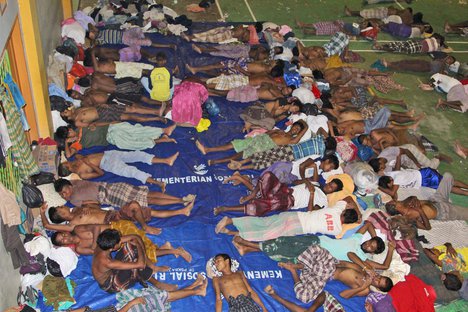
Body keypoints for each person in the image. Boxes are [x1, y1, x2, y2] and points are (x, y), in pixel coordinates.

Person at [92, 229, 208, 296]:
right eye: (118, 242)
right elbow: (140, 265)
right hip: (112, 284)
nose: (120, 242)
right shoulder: (107, 261)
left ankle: (153, 267)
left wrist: (137, 245)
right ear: (112, 247)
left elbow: (135, 236)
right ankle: (157, 283)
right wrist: (138, 247)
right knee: (135, 263)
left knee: (131, 245)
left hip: (113, 269)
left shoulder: (102, 244)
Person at [232, 221, 394, 265]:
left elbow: (384, 267)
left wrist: (391, 250)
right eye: (370, 243)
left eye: (370, 248)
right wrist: (377, 238)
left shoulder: (362, 258)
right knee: (283, 242)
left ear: (371, 253)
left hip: (317, 254)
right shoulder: (358, 239)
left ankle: (246, 244)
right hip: (317, 240)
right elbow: (368, 225)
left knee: (283, 251)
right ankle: (247, 248)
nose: (367, 246)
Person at [50, 221, 192, 270]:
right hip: (112, 242)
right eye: (62, 241)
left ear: (64, 232)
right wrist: (99, 244)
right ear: (64, 245)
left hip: (116, 229)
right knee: (141, 252)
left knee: (140, 245)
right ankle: (170, 249)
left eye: (63, 235)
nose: (65, 238)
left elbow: (95, 228)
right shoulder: (79, 248)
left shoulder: (78, 229)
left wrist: (95, 243)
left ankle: (175, 250)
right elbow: (96, 252)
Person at [278, 245, 393, 304]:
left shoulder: (365, 290)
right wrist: (365, 267)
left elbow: (343, 295)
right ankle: (297, 266)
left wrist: (363, 286)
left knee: (304, 297)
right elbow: (350, 255)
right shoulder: (363, 270)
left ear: (377, 288)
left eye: (378, 282)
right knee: (316, 250)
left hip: (325, 277)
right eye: (380, 277)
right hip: (329, 265)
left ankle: (293, 270)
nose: (376, 278)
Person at [215, 197, 360, 241]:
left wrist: (356, 210)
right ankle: (232, 233)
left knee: (263, 222)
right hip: (297, 228)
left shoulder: (337, 209)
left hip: (295, 215)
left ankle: (231, 221)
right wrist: (358, 220)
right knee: (265, 234)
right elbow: (342, 235)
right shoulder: (338, 229)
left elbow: (348, 198)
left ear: (344, 212)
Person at [214, 171, 343, 216]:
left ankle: (225, 208)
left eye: (332, 188)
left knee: (264, 205)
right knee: (268, 176)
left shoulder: (323, 201)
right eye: (330, 184)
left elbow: (311, 212)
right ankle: (254, 194)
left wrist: (312, 194)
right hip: (286, 189)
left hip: (290, 201)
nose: (328, 187)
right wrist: (307, 182)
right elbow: (296, 181)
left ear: (333, 192)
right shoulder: (315, 183)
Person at [41, 201, 194, 236]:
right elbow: (48, 226)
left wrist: (88, 207)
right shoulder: (72, 224)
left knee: (144, 210)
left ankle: (182, 211)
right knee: (134, 205)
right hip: (110, 223)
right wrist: (42, 212)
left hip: (112, 214)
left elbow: (98, 204)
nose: (63, 206)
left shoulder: (78, 208)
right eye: (60, 208)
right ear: (60, 215)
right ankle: (145, 227)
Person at [196, 120, 309, 165]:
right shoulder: (280, 130)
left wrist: (305, 127)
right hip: (258, 139)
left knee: (238, 155)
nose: (296, 130)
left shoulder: (290, 140)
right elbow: (267, 132)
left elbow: (297, 139)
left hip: (264, 146)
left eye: (298, 130)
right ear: (293, 126)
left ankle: (215, 161)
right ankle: (207, 149)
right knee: (234, 144)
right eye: (296, 127)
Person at [54, 178, 195, 211]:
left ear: (68, 185)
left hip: (112, 187)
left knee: (148, 194)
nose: (64, 196)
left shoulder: (76, 182)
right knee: (149, 200)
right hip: (110, 197)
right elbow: (93, 205)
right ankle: (180, 202)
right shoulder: (73, 200)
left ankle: (181, 200)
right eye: (61, 196)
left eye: (64, 192)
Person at [55, 122, 177, 158]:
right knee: (132, 143)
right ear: (68, 138)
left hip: (111, 127)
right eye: (68, 134)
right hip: (110, 138)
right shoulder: (77, 144)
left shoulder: (79, 126)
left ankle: (163, 130)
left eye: (68, 129)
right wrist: (66, 144)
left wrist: (94, 124)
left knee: (136, 130)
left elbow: (95, 121)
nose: (71, 132)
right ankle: (160, 140)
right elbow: (69, 154)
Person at [58, 150, 179, 185]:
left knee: (137, 154)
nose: (67, 162)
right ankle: (157, 183)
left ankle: (166, 161)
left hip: (108, 154)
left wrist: (80, 157)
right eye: (66, 164)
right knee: (132, 172)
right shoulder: (82, 174)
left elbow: (80, 154)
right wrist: (89, 164)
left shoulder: (75, 160)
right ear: (67, 169)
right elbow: (100, 174)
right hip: (107, 164)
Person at [60, 104, 166, 128]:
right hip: (104, 116)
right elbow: (94, 124)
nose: (66, 110)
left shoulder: (77, 110)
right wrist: (110, 123)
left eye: (65, 110)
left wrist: (101, 105)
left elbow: (91, 107)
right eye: (65, 113)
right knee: (132, 117)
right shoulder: (77, 121)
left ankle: (156, 111)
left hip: (103, 108)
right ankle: (156, 118)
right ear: (68, 118)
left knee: (131, 109)